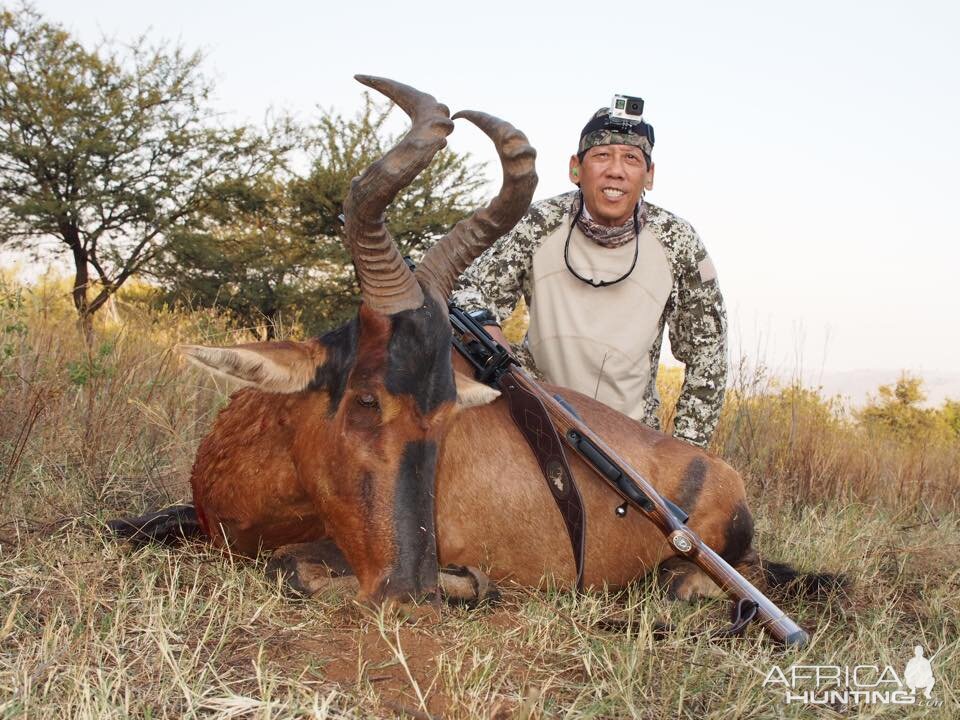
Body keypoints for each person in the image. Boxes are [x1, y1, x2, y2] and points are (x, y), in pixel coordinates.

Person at [451, 101, 728, 448]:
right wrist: (497, 348)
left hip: (631, 444)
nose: (615, 171)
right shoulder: (537, 224)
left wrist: (686, 452)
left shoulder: (679, 242)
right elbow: (465, 289)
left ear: (650, 175)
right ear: (575, 169)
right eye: (601, 156)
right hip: (535, 426)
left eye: (631, 158)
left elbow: (709, 355)